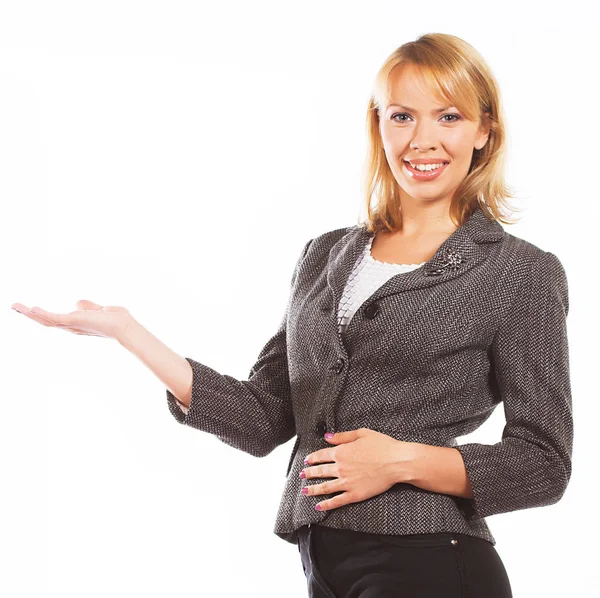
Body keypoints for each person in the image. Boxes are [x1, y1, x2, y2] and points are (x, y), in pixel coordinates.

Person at [12, 32, 572, 598]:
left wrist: (401, 462)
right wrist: (129, 334)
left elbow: (544, 463)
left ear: (484, 131)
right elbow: (264, 418)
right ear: (378, 125)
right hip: (323, 563)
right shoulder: (325, 255)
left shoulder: (519, 274)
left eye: (447, 116)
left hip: (430, 560)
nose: (421, 140)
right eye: (402, 116)